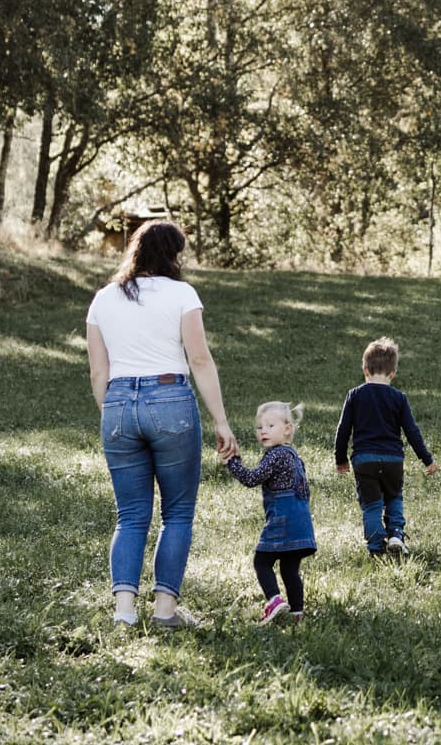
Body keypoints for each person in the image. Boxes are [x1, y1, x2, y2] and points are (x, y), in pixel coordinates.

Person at [86, 220, 238, 631]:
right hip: (170, 399)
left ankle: (123, 612)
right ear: (173, 255)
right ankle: (165, 612)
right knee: (177, 514)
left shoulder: (103, 298)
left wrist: (114, 412)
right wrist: (221, 422)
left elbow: (98, 374)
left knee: (131, 515)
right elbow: (200, 360)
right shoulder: (182, 293)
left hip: (117, 403)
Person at [333, 337, 439, 556]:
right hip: (393, 460)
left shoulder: (355, 395)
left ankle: (375, 547)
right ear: (393, 373)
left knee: (372, 504)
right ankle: (396, 535)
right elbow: (412, 432)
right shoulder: (399, 398)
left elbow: (343, 429)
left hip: (364, 460)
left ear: (365, 370)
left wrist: (340, 458)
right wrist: (427, 459)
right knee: (394, 497)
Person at [226, 401, 316, 624]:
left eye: (270, 425)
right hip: (302, 521)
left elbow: (251, 479)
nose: (263, 430)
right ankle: (297, 612)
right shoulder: (294, 456)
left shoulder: (275, 455)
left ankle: (274, 600)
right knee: (289, 568)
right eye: (260, 427)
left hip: (283, 519)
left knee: (262, 561)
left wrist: (232, 462)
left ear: (287, 429)